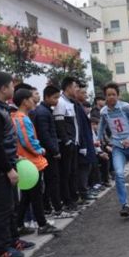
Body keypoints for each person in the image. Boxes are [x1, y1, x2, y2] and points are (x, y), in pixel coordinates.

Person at [0, 72, 34, 257]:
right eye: (11, 85)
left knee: (12, 205)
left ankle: (13, 240)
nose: (13, 88)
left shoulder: (1, 107)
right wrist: (8, 169)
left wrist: (14, 159)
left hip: (8, 164)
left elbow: (6, 140)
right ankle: (2, 247)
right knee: (3, 208)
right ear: (3, 88)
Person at [11, 89, 62, 236]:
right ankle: (42, 224)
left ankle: (18, 225)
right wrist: (40, 150)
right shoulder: (22, 118)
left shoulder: (17, 117)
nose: (34, 101)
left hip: (27, 163)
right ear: (24, 101)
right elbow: (28, 141)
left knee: (27, 196)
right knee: (36, 195)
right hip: (32, 163)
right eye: (31, 98)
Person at [98, 82, 129, 217]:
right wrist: (97, 138)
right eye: (108, 95)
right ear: (105, 97)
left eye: (113, 94)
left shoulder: (127, 108)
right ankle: (124, 204)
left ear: (118, 96)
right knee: (119, 174)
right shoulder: (104, 111)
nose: (111, 97)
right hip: (118, 146)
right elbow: (102, 126)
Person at [32, 85, 76, 220]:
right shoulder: (43, 113)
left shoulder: (44, 111)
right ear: (47, 97)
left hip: (47, 152)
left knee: (50, 181)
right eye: (55, 97)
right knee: (53, 181)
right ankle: (57, 209)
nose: (57, 101)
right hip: (48, 153)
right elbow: (45, 135)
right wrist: (55, 150)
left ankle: (48, 207)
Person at [53, 77, 80, 212]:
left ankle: (74, 198)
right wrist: (67, 141)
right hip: (67, 145)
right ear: (68, 87)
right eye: (75, 87)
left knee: (73, 172)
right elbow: (59, 124)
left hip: (73, 142)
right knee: (66, 173)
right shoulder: (61, 103)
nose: (77, 89)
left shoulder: (70, 102)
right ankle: (68, 201)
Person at [74, 80, 98, 205]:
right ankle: (83, 192)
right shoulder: (76, 107)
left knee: (87, 167)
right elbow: (79, 128)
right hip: (82, 144)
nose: (86, 95)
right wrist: (83, 145)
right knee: (83, 168)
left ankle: (86, 190)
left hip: (87, 142)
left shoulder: (80, 106)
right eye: (83, 93)